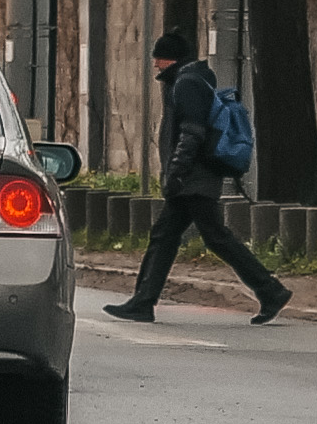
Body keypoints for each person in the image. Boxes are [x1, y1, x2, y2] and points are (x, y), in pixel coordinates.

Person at [103, 31, 288, 325]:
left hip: (192, 178)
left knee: (209, 238)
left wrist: (176, 172)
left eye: (159, 59)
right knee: (172, 237)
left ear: (171, 59)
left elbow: (192, 133)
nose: (155, 65)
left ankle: (270, 290)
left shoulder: (187, 84)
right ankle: (143, 301)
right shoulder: (194, 80)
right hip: (195, 177)